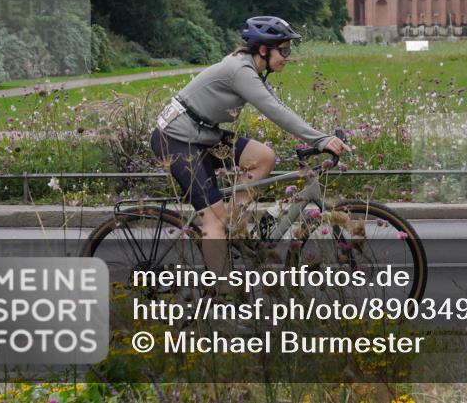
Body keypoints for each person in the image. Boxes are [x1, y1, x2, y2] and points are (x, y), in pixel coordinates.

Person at [150, 15, 350, 284]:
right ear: (264, 50)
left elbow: (280, 107)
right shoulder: (240, 71)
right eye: (285, 50)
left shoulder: (252, 71)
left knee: (263, 157)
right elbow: (274, 111)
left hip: (202, 135)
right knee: (213, 221)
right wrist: (319, 141)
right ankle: (222, 299)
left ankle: (236, 229)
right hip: (174, 139)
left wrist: (319, 136)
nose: (288, 57)